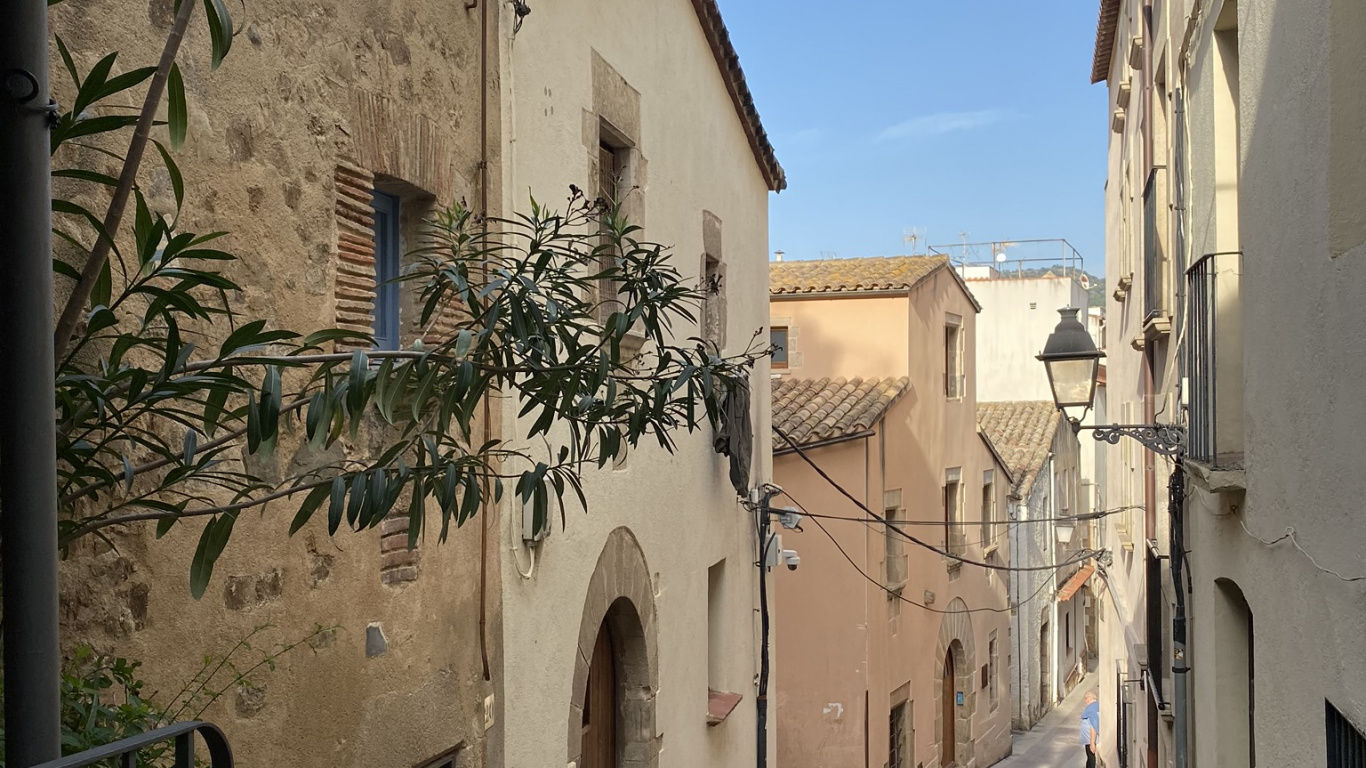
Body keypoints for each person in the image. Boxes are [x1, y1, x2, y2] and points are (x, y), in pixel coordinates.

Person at [1080, 691, 1100, 767]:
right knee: (1089, 758)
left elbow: (1093, 725)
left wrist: (1092, 742)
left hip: (1090, 739)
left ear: (1090, 698)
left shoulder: (1092, 709)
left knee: (1091, 759)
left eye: (1086, 698)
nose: (1085, 701)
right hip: (1089, 739)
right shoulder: (1094, 707)